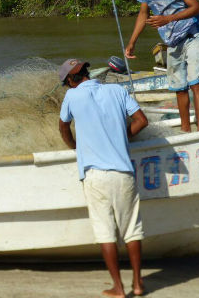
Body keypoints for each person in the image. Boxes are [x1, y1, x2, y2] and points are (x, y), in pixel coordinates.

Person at [58, 58, 149, 298]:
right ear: (87, 73)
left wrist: (76, 147)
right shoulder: (117, 90)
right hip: (123, 172)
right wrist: (121, 137)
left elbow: (63, 128)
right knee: (132, 230)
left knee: (105, 232)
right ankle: (138, 285)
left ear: (70, 81)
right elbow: (142, 121)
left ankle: (118, 288)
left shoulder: (71, 97)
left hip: (95, 175)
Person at [125, 0, 199, 132]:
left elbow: (196, 7)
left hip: (193, 33)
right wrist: (132, 42)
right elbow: (143, 13)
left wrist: (167, 18)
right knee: (179, 86)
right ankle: (186, 129)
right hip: (172, 39)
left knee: (195, 82)